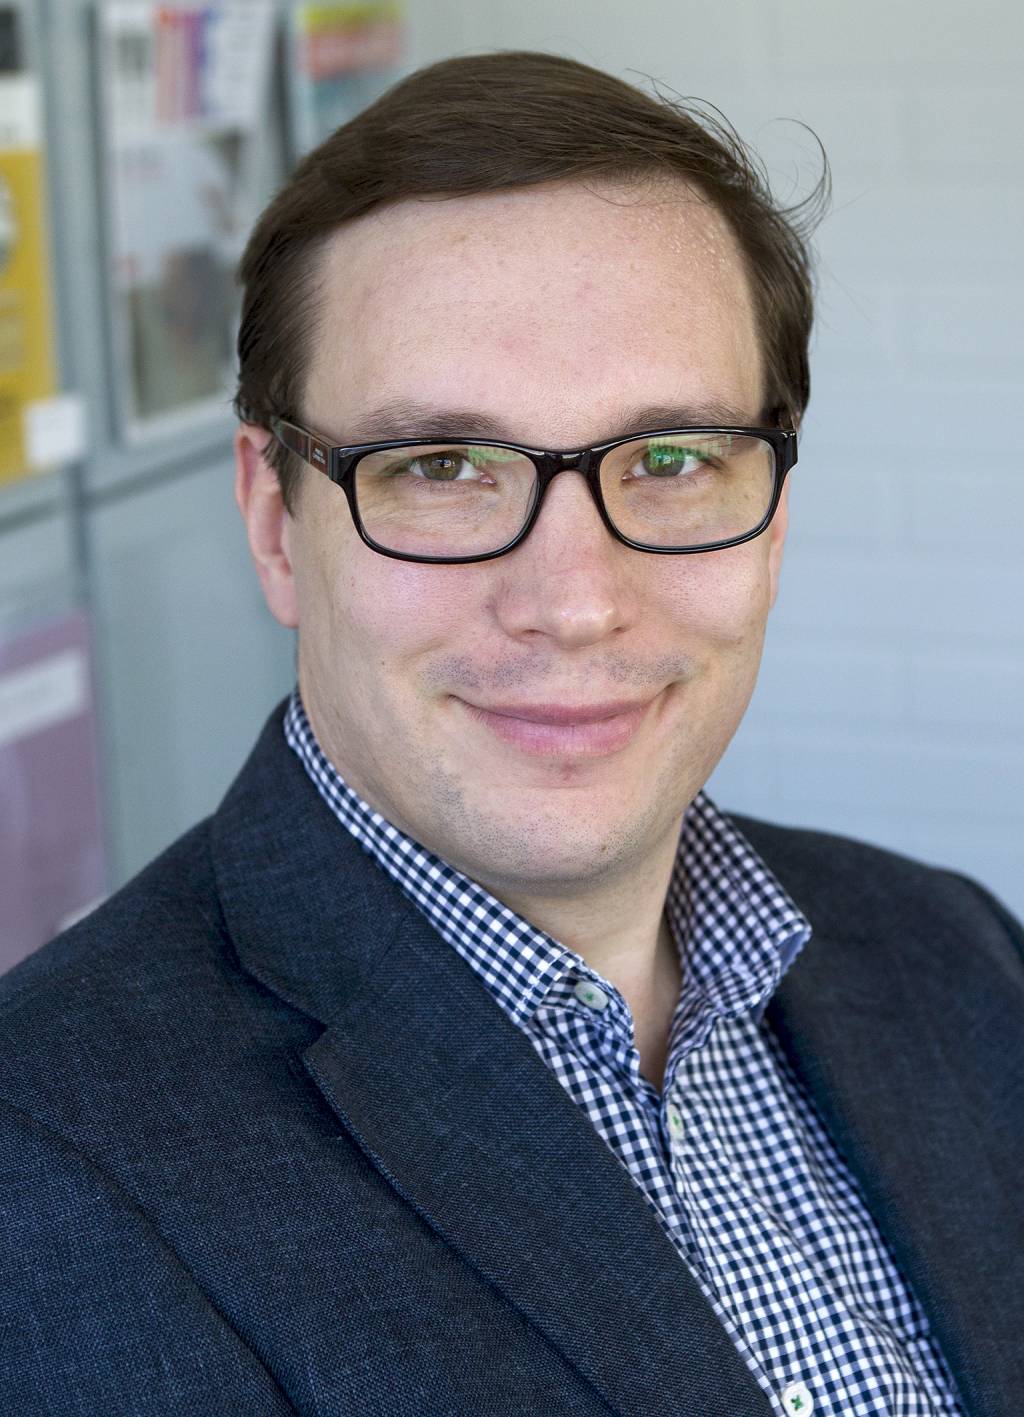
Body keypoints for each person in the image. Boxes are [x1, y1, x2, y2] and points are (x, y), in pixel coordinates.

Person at [1, 50, 1021, 1417]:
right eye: (441, 467)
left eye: (671, 460)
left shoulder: (957, 951)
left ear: (774, 519)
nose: (576, 601)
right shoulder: (45, 1162)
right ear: (274, 522)